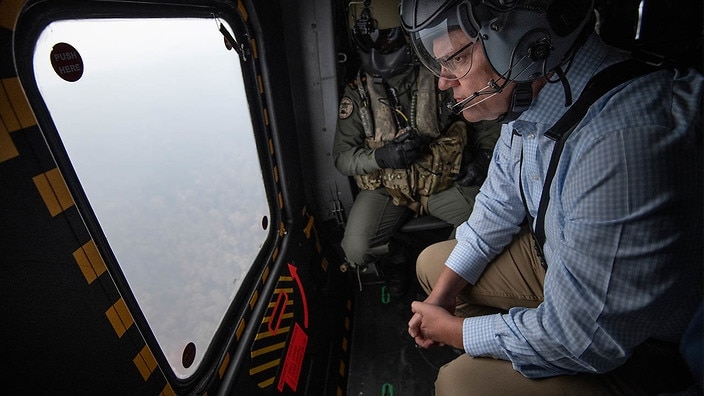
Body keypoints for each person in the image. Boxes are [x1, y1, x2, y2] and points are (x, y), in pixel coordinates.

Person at [399, 0, 703, 394]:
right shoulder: (530, 89)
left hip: (640, 346)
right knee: (433, 267)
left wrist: (458, 332)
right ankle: (512, 353)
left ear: (523, 42)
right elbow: (496, 205)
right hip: (562, 264)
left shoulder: (620, 146)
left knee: (458, 384)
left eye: (456, 59)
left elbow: (583, 339)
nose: (443, 81)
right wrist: (442, 299)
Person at [333, 0, 500, 296]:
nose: (379, 46)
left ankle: (449, 273)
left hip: (442, 180)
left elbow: (484, 118)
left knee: (489, 220)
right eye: (369, 39)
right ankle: (397, 258)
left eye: (386, 37)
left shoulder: (442, 74)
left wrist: (484, 157)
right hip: (387, 188)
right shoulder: (358, 94)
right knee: (356, 249)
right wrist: (381, 157)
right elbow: (343, 158)